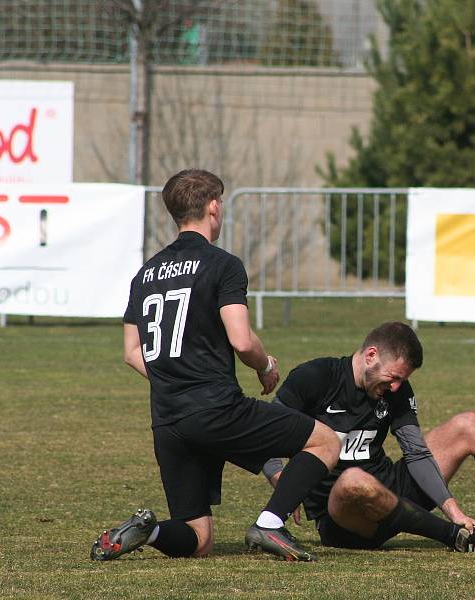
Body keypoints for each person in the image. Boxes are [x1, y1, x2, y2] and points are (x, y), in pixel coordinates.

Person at [90, 169, 340, 563]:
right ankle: (270, 524)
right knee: (326, 441)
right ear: (213, 206)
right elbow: (242, 340)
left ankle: (149, 530)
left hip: (168, 421)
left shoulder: (145, 275)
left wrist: (174, 380)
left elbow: (131, 351)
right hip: (215, 408)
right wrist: (265, 366)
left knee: (199, 538)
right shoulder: (222, 265)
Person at [261, 321, 475, 553]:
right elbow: (266, 429)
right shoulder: (315, 377)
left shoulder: (395, 389)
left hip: (392, 488)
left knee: (471, 423)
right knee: (353, 480)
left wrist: (453, 510)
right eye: (394, 377)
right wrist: (280, 475)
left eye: (404, 380)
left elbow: (416, 453)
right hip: (344, 516)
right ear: (371, 355)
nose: (397, 387)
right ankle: (452, 537)